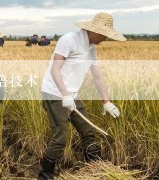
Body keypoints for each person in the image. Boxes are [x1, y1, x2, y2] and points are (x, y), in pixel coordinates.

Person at [39, 12, 126, 179]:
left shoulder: (91, 48)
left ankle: (94, 169)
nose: (105, 39)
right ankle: (45, 175)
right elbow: (55, 70)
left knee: (88, 132)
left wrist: (106, 101)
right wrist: (65, 95)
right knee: (60, 138)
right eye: (105, 35)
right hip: (55, 93)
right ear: (95, 32)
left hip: (71, 95)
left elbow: (97, 75)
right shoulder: (69, 40)